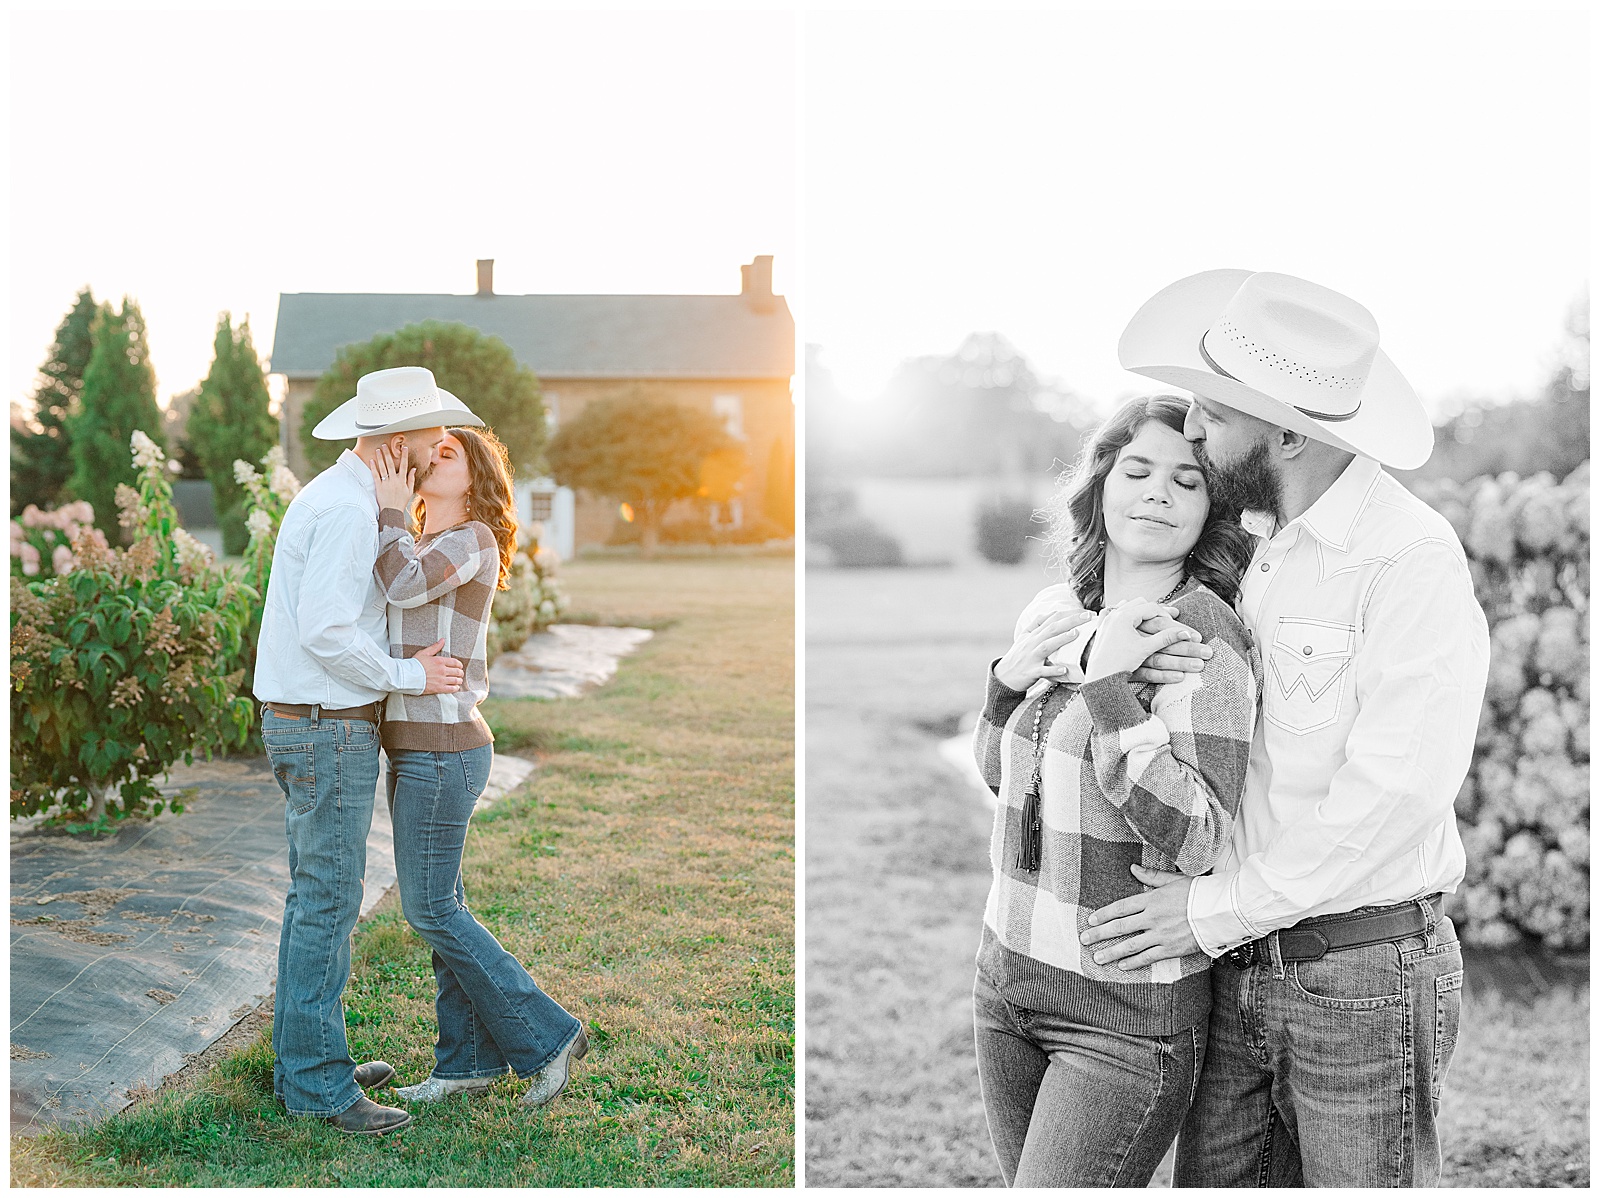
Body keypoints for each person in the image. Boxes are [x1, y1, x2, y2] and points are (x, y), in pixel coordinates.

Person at [1080, 270, 1491, 1186]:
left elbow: (1395, 796)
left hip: (1362, 972)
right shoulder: (1265, 553)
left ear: (1292, 433)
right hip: (1242, 961)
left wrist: (1211, 912)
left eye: (1215, 416)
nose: (1191, 432)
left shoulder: (1407, 558)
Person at [970, 394, 1261, 1186]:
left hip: (1124, 1016)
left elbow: (1199, 835)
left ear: (1214, 507)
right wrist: (1004, 686)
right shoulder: (1057, 612)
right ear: (1102, 484)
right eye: (1136, 470)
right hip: (1007, 981)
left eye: (1187, 479)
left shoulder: (1201, 638)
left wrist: (1109, 692)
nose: (1156, 493)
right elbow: (1003, 776)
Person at [255, 365, 476, 1134]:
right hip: (327, 724)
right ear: (396, 439)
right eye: (429, 432)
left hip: (309, 720)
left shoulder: (341, 496)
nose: (439, 443)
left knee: (313, 897)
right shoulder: (349, 511)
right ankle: (318, 1085)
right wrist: (405, 672)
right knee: (326, 901)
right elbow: (325, 629)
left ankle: (305, 1059)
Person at [368, 426, 588, 1109]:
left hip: (445, 748)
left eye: (449, 452)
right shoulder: (430, 540)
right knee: (444, 908)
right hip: (417, 746)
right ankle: (464, 1062)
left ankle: (549, 1035)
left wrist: (387, 510)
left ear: (476, 477)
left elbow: (400, 585)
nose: (433, 454)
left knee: (431, 910)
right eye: (430, 448)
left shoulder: (472, 540)